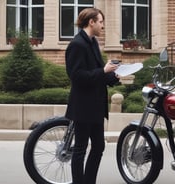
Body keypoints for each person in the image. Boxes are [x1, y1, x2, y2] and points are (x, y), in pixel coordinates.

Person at [65, 8, 120, 184]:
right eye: (101, 22)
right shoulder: (77, 44)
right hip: (83, 107)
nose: (102, 26)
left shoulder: (93, 42)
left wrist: (114, 76)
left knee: (98, 147)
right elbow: (77, 76)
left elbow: (97, 72)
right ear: (91, 22)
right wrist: (104, 70)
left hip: (96, 106)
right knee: (80, 149)